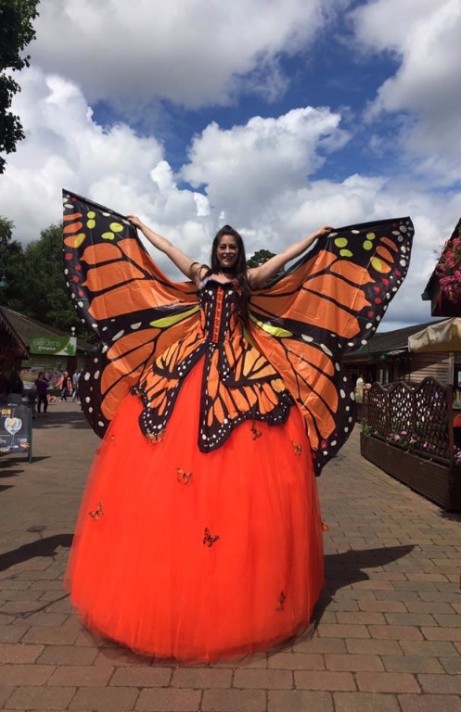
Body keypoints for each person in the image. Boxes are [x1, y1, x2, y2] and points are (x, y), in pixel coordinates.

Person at [64, 196, 412, 662]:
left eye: (233, 246)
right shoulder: (199, 276)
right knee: (163, 444)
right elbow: (167, 250)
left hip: (242, 369)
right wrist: (140, 226)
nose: (227, 251)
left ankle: (237, 577)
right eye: (222, 246)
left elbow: (286, 263)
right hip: (188, 363)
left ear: (239, 251)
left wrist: (313, 238)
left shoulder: (249, 280)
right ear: (214, 250)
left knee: (251, 453)